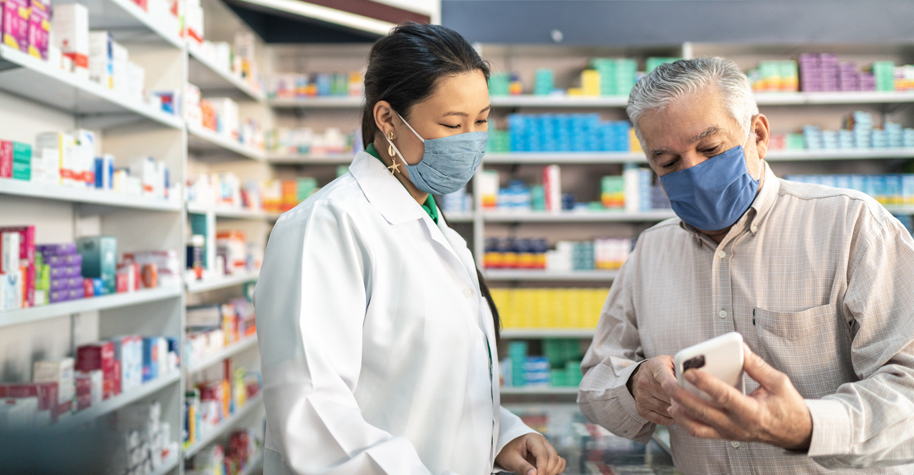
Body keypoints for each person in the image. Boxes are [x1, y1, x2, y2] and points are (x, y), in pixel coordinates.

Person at [254, 22, 566, 475]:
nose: (471, 141)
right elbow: (312, 414)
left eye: (481, 121)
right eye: (452, 124)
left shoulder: (438, 228)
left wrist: (503, 433)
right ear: (387, 120)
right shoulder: (326, 225)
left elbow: (434, 382)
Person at [577, 57, 914, 474]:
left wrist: (807, 426)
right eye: (668, 163)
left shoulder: (851, 226)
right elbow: (594, 383)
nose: (694, 172)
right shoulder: (650, 252)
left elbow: (909, 388)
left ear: (757, 135)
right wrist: (632, 386)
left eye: (711, 148)